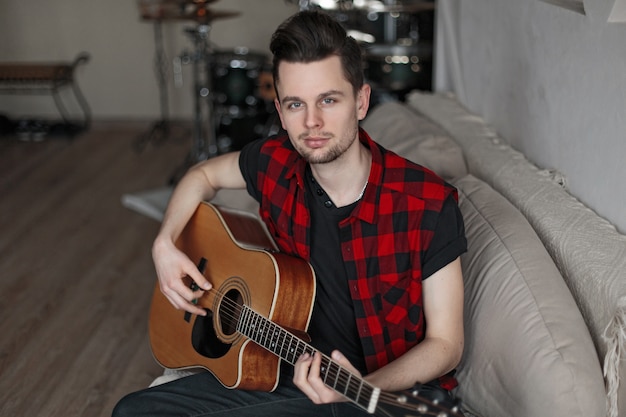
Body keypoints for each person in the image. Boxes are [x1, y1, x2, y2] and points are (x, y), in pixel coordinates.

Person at [113, 9, 466, 417]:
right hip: (284, 369)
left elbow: (446, 344)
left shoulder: (426, 202)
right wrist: (164, 243)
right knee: (133, 411)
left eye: (328, 100)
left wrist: (362, 387)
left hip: (372, 397)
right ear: (280, 112)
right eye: (296, 104)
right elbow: (201, 175)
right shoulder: (274, 162)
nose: (312, 122)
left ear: (361, 101)